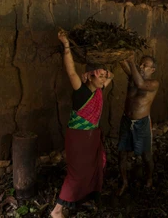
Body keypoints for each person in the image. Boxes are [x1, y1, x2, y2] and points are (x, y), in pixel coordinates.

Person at [51, 30, 114, 218]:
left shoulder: (99, 91)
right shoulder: (81, 91)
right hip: (78, 139)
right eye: (99, 76)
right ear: (88, 76)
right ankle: (57, 211)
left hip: (91, 137)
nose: (103, 79)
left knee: (95, 166)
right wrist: (66, 45)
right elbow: (71, 70)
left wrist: (104, 65)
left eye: (103, 76)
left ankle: (84, 197)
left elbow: (111, 77)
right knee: (76, 174)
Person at [117, 54, 159, 196]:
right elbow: (122, 62)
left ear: (152, 70)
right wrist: (121, 53)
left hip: (141, 123)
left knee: (146, 155)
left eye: (145, 65)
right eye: (140, 64)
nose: (141, 67)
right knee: (122, 153)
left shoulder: (153, 84)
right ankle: (124, 182)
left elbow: (141, 84)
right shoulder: (132, 77)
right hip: (126, 121)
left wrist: (131, 62)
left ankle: (149, 179)